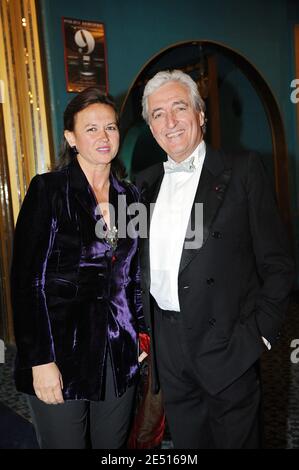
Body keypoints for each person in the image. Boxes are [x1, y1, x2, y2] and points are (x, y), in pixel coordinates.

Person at [136, 69, 295, 449]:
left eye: (179, 108)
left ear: (201, 115)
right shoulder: (143, 183)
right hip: (168, 347)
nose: (170, 122)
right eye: (157, 114)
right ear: (151, 127)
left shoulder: (242, 171)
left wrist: (259, 335)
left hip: (227, 341)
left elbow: (278, 263)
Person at [11, 87, 148, 449]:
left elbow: (134, 276)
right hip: (60, 353)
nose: (104, 137)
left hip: (119, 354)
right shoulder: (48, 190)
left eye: (111, 127)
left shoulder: (131, 197)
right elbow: (27, 283)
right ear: (71, 137)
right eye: (91, 129)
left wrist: (141, 336)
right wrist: (39, 360)